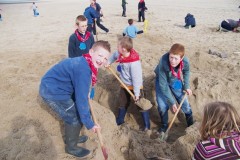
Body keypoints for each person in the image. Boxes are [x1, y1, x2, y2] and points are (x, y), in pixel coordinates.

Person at [39, 41, 111, 158]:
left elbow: (82, 88)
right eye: (100, 55)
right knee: (74, 118)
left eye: (105, 58)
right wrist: (90, 124)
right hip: (52, 92)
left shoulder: (87, 61)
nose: (102, 60)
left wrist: (86, 92)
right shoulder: (83, 70)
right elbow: (81, 101)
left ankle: (74, 136)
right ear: (91, 52)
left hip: (59, 86)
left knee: (78, 113)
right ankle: (71, 147)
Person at [107, 37, 150, 131]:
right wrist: (108, 62)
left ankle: (146, 125)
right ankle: (120, 120)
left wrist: (137, 94)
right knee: (123, 102)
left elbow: (136, 79)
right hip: (124, 84)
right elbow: (114, 55)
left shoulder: (134, 63)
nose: (116, 47)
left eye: (118, 46)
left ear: (124, 49)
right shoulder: (120, 54)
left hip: (136, 85)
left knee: (140, 104)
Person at [154, 43, 194, 134]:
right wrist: (172, 102)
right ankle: (164, 125)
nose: (173, 61)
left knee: (184, 101)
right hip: (161, 79)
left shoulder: (186, 62)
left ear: (181, 58)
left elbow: (186, 72)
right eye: (171, 57)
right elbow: (163, 85)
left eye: (176, 58)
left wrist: (187, 86)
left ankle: (190, 123)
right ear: (169, 54)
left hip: (175, 79)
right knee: (162, 105)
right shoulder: (163, 61)